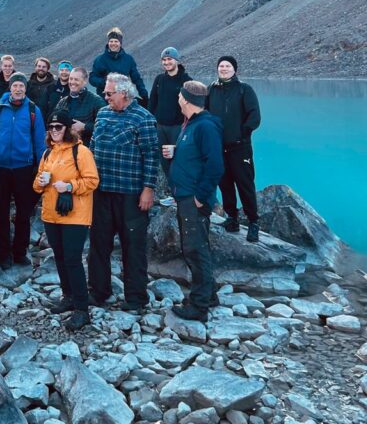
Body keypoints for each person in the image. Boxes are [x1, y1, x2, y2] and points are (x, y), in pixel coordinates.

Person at [87, 73, 160, 311]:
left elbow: (151, 155)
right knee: (99, 243)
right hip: (102, 191)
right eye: (105, 94)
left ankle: (136, 297)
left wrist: (148, 189)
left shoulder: (144, 118)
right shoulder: (103, 113)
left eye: (109, 93)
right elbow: (93, 147)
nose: (105, 97)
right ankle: (99, 292)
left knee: (133, 246)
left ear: (124, 93)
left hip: (130, 193)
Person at [33, 111, 100, 331]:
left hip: (75, 216)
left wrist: (70, 186)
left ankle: (82, 309)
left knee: (72, 259)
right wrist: (42, 182)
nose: (54, 131)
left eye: (59, 127)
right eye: (51, 127)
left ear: (68, 129)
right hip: (52, 214)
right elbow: (36, 185)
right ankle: (68, 296)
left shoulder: (81, 152)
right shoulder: (47, 154)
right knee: (60, 257)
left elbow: (92, 181)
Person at [168, 81, 224, 323]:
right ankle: (209, 294)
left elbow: (215, 166)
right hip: (186, 194)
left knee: (194, 248)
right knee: (199, 246)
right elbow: (196, 157)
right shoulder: (192, 124)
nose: (178, 98)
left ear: (186, 99)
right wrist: (176, 151)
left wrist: (201, 197)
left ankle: (198, 305)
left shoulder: (205, 127)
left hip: (193, 198)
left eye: (180, 95)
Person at [0, 72, 46, 268]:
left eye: (21, 86)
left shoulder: (32, 110)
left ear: (25, 88)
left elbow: (39, 141)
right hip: (1, 168)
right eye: (15, 86)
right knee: (1, 213)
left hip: (24, 168)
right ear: (10, 88)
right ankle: (2, 254)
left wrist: (40, 166)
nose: (19, 89)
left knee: (23, 213)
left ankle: (20, 252)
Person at [207, 55, 262, 242]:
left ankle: (253, 222)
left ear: (234, 69)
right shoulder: (211, 90)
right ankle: (232, 218)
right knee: (225, 184)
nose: (223, 68)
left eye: (227, 66)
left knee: (245, 184)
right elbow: (205, 115)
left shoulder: (244, 90)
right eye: (221, 66)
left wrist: (243, 134)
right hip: (219, 147)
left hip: (240, 147)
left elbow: (254, 115)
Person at [148, 47, 192, 204]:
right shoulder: (159, 80)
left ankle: (184, 194)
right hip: (160, 127)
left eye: (169, 59)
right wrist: (151, 120)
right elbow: (152, 101)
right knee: (165, 162)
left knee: (179, 161)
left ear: (177, 61)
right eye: (164, 60)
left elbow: (192, 105)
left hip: (178, 128)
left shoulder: (186, 80)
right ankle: (175, 195)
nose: (166, 62)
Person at [89, 28, 148, 104]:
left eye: (116, 41)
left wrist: (144, 93)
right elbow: (92, 78)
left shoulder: (128, 59)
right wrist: (104, 82)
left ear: (120, 43)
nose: (113, 44)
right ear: (108, 42)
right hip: (104, 99)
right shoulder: (99, 60)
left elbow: (137, 79)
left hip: (123, 98)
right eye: (111, 41)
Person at [52, 67, 105, 147]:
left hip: (87, 151)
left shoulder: (96, 101)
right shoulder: (62, 102)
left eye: (76, 79)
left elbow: (105, 128)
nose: (72, 82)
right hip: (65, 151)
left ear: (85, 81)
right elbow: (53, 124)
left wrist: (85, 127)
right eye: (71, 79)